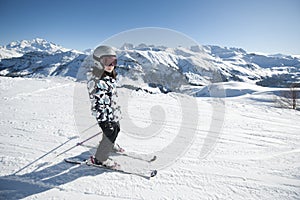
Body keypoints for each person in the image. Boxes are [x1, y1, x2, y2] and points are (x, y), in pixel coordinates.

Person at [87, 45, 122, 168]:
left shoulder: (109, 75)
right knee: (110, 132)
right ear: (98, 62)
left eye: (114, 61)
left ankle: (110, 145)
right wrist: (103, 118)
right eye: (107, 61)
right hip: (103, 114)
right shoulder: (96, 80)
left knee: (116, 128)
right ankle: (100, 159)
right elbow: (97, 102)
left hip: (111, 111)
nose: (111, 65)